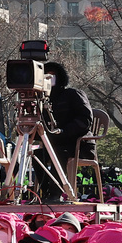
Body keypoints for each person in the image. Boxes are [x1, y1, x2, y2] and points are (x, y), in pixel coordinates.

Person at [41, 61, 93, 202]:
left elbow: (85, 120)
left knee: (59, 154)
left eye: (51, 75)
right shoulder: (42, 100)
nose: (48, 79)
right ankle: (44, 193)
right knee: (37, 155)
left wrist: (64, 131)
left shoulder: (73, 94)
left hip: (77, 143)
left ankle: (55, 194)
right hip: (54, 142)